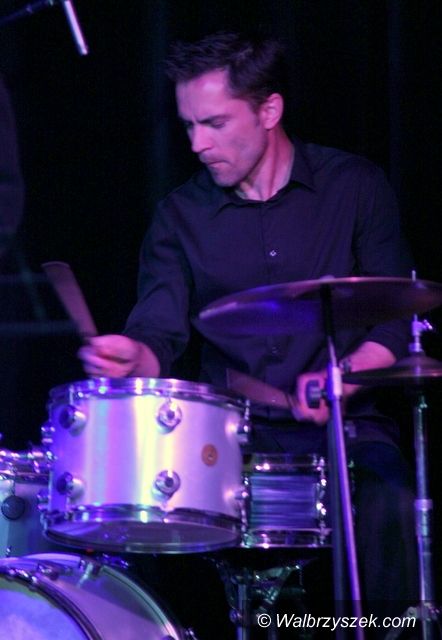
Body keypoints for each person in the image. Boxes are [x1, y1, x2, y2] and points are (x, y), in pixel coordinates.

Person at [79, 32, 417, 632]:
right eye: (188, 126)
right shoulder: (179, 216)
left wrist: (342, 378)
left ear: (269, 110)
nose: (197, 144)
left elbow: (394, 318)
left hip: (348, 429)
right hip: (231, 441)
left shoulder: (354, 186)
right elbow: (159, 335)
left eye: (213, 123)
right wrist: (133, 356)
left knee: (388, 500)